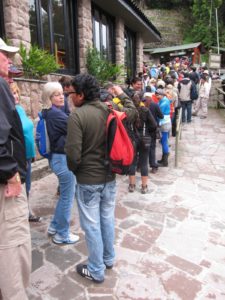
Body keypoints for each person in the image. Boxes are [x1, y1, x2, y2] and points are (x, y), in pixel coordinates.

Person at [65, 74, 136, 283]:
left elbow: (72, 155)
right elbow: (133, 112)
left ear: (81, 94)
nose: (70, 98)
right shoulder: (110, 110)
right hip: (109, 178)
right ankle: (108, 259)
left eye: (72, 94)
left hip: (88, 180)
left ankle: (96, 270)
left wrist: (76, 170)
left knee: (92, 225)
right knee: (106, 219)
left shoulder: (77, 117)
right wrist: (121, 93)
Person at [0, 42, 31, 300]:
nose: (9, 60)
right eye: (5, 55)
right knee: (11, 246)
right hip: (4, 185)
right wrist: (11, 173)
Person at [41, 82, 79, 245]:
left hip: (58, 159)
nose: (61, 97)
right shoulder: (55, 114)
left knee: (65, 196)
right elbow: (76, 127)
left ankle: (54, 226)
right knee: (67, 198)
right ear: (49, 98)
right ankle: (62, 234)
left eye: (61, 93)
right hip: (62, 160)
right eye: (56, 95)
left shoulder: (50, 112)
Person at [9, 82, 41, 222]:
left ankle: (25, 212)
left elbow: (27, 133)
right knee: (20, 187)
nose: (15, 96)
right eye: (12, 93)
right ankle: (20, 215)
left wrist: (32, 154)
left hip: (27, 156)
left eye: (16, 93)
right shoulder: (8, 112)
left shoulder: (20, 109)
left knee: (27, 186)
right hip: (18, 158)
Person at [128, 92, 157, 193]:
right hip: (144, 139)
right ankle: (144, 187)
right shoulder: (145, 110)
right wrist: (148, 132)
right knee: (144, 163)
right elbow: (154, 125)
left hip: (132, 139)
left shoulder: (129, 112)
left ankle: (132, 185)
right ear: (142, 101)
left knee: (132, 162)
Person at [143, 92, 164, 173]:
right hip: (152, 129)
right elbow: (161, 116)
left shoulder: (141, 105)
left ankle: (140, 166)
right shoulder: (155, 105)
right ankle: (153, 166)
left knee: (142, 148)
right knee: (152, 147)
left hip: (143, 129)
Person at [155, 89, 171, 167]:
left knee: (164, 142)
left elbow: (159, 113)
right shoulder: (165, 100)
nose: (157, 97)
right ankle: (163, 159)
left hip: (164, 123)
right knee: (164, 141)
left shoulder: (164, 102)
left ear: (162, 95)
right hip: (166, 122)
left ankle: (165, 162)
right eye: (156, 95)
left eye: (158, 95)